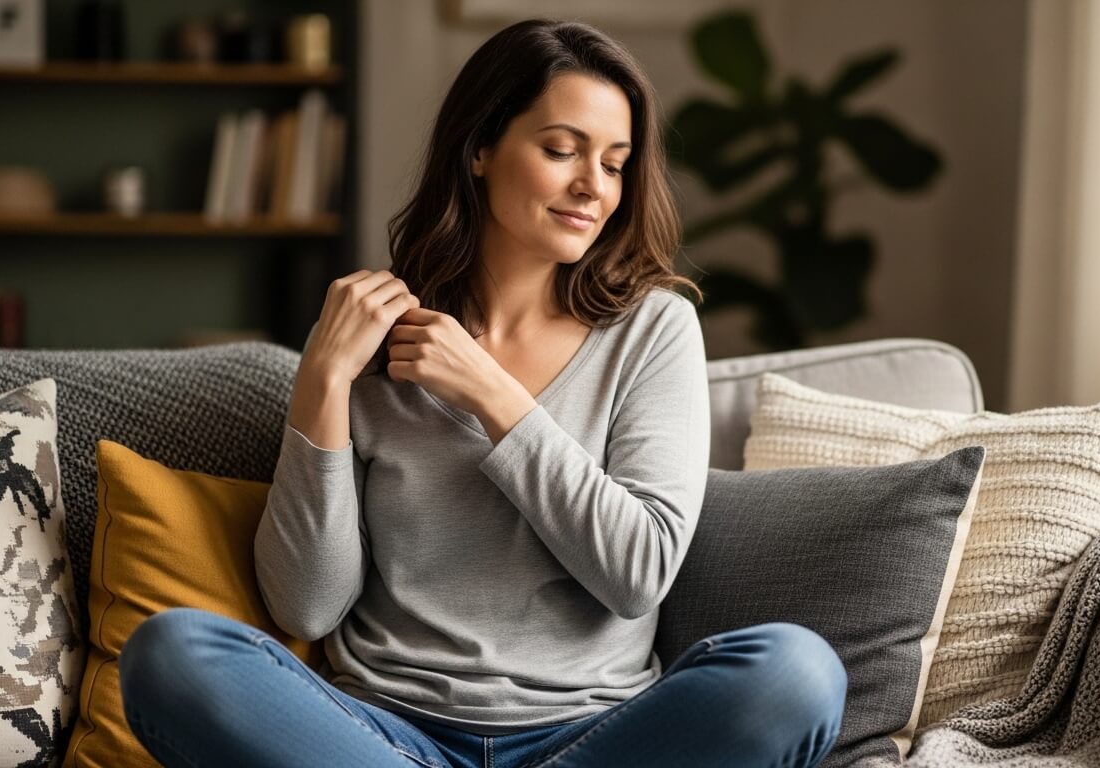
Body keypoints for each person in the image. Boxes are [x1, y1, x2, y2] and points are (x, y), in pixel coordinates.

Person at [119, 19, 847, 768]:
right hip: (387, 736)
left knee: (797, 672)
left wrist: (492, 396)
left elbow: (638, 574)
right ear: (479, 148)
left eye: (616, 163)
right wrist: (323, 381)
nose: (592, 185)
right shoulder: (375, 335)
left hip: (593, 738)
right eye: (562, 150)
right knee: (171, 653)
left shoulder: (652, 329)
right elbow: (309, 605)